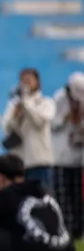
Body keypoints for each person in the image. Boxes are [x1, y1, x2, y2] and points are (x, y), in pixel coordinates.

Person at [1, 68, 55, 190]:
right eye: (23, 80)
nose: (26, 83)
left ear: (37, 82)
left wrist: (26, 103)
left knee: (42, 197)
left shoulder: (45, 102)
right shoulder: (15, 104)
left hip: (39, 161)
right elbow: (6, 127)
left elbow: (39, 121)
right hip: (20, 162)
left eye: (29, 80)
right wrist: (16, 115)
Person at [50, 73, 84, 240]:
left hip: (79, 157)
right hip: (61, 158)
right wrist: (66, 117)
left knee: (79, 196)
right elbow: (52, 124)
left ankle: (79, 230)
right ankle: (66, 230)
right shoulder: (59, 99)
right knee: (63, 197)